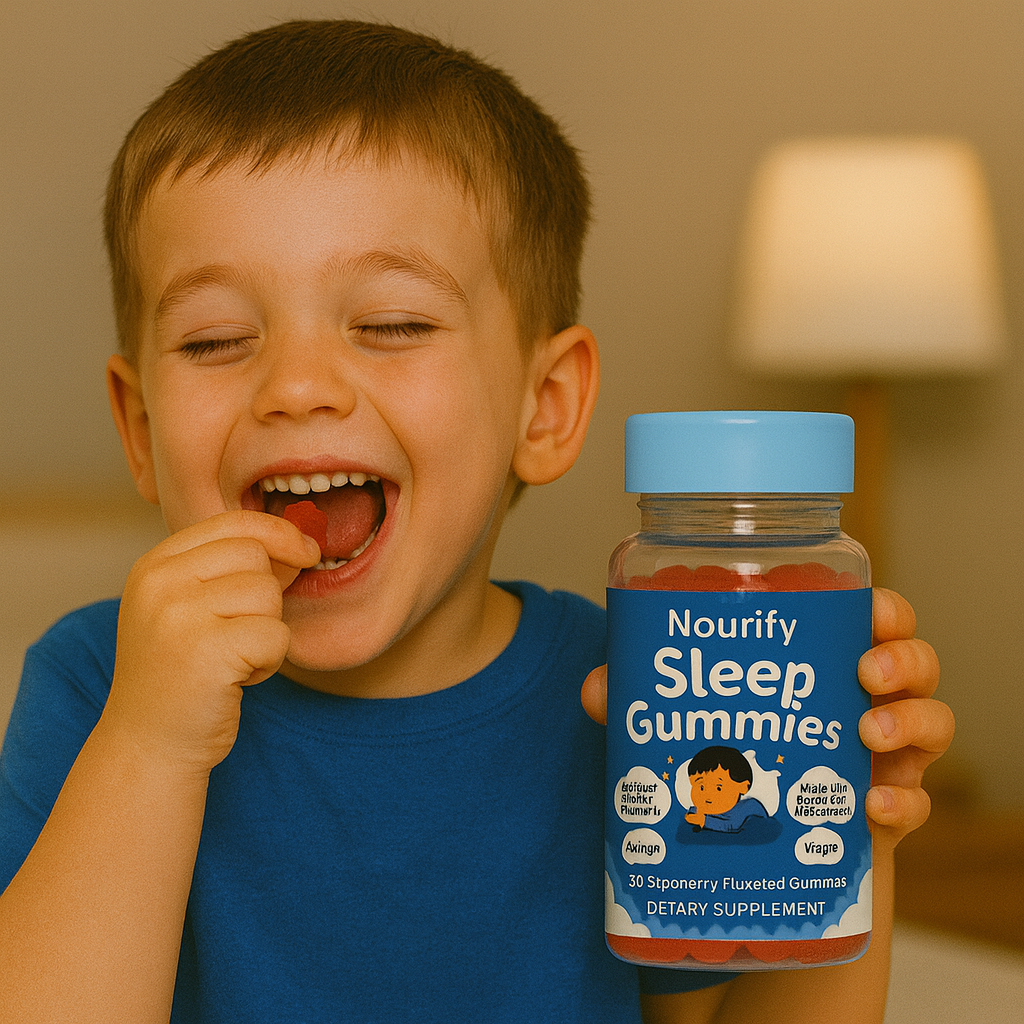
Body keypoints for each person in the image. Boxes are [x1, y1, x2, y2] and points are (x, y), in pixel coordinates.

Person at [0, 19, 951, 1024]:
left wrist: (855, 847)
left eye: (392, 323)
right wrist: (149, 744)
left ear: (543, 407)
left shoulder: (640, 693)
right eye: (215, 339)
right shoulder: (100, 685)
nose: (297, 384)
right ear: (141, 427)